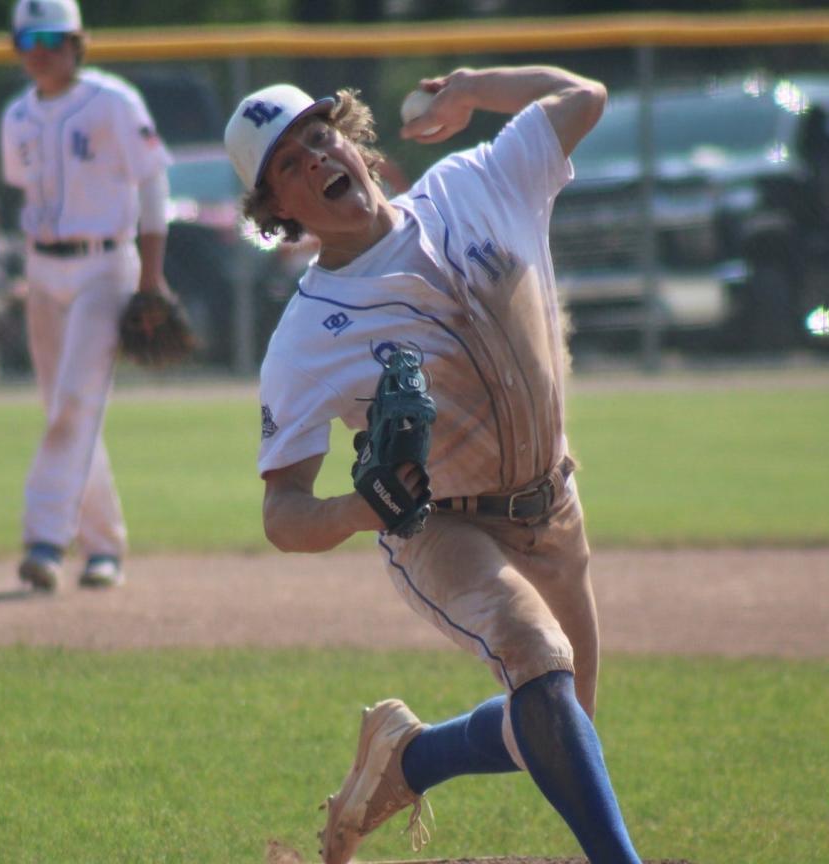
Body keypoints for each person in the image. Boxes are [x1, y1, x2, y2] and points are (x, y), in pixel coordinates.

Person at [224, 65, 643, 864]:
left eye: (320, 136)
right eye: (287, 164)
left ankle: (408, 758)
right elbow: (283, 515)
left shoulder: (473, 183)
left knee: (550, 725)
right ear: (279, 209)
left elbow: (585, 97)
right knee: (538, 665)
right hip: (443, 528)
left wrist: (476, 87)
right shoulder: (306, 336)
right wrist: (358, 507)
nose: (314, 158)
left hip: (554, 505)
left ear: (353, 141)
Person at [0, 0, 172, 591]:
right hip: (43, 272)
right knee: (68, 413)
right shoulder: (17, 116)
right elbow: (25, 195)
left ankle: (44, 542)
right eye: (28, 39)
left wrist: (151, 279)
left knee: (74, 403)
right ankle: (104, 549)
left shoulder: (113, 101)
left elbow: (152, 184)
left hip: (106, 269)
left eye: (52, 35)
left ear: (79, 40)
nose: (41, 49)